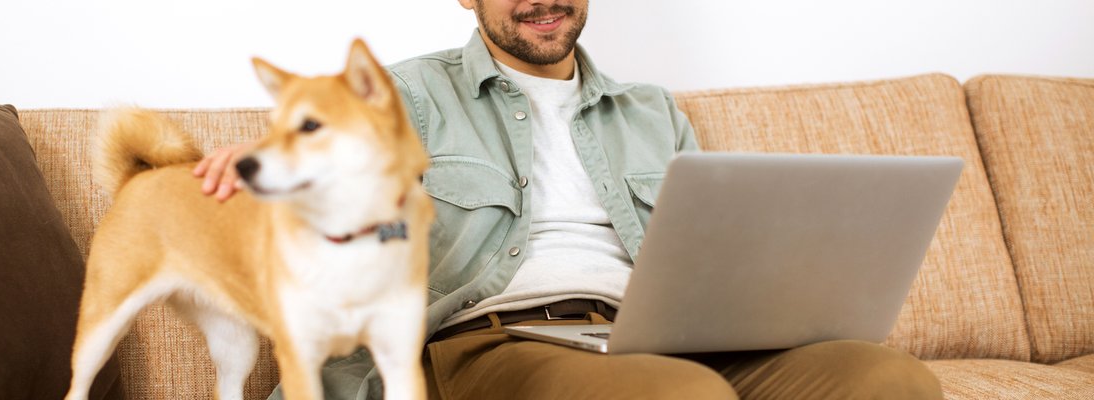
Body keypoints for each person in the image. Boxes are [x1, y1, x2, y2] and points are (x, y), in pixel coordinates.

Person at [196, 1, 945, 399]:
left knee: (887, 379)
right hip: (490, 344)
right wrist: (260, 169)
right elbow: (326, 171)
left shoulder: (655, 111)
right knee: (676, 397)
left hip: (647, 339)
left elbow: (717, 253)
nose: (543, 0)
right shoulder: (406, 93)